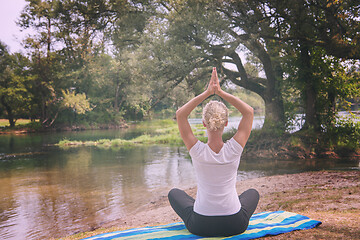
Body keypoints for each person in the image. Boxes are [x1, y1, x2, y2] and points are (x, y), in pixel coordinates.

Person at [168, 67, 260, 237]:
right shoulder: (234, 148)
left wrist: (208, 93)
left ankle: (206, 206)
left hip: (201, 225)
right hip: (235, 224)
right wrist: (220, 92)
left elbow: (181, 115)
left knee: (174, 193)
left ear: (204, 123)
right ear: (226, 123)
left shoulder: (196, 150)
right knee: (253, 193)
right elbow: (249, 112)